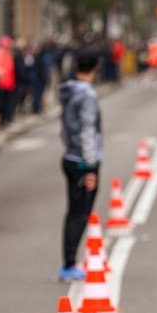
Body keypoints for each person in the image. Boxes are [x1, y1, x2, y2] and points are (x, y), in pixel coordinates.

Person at [57, 49, 102, 282]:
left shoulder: (69, 91)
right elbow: (87, 130)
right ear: (95, 68)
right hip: (82, 161)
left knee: (74, 211)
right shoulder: (87, 97)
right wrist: (91, 167)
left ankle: (69, 261)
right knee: (79, 213)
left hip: (69, 156)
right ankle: (69, 264)